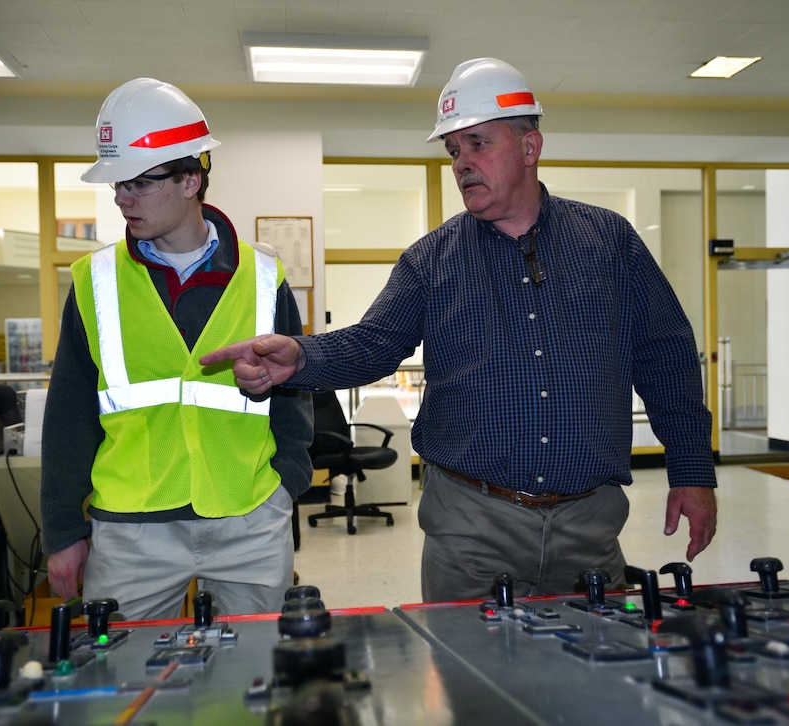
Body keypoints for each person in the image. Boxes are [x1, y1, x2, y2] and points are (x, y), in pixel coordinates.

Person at [200, 58, 717, 603]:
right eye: (453, 151)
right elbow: (375, 342)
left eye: (477, 143)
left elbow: (665, 356)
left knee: (588, 681)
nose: (462, 163)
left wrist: (691, 469)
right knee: (472, 685)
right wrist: (301, 357)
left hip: (590, 529)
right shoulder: (432, 260)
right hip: (471, 530)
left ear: (529, 146)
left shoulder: (609, 242)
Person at [40, 78, 313, 620]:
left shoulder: (263, 276)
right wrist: (64, 529)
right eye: (118, 184)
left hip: (249, 517)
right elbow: (68, 413)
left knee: (258, 673)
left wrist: (287, 484)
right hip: (129, 528)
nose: (122, 198)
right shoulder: (94, 282)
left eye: (139, 183)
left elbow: (295, 391)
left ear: (191, 180)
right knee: (123, 683)